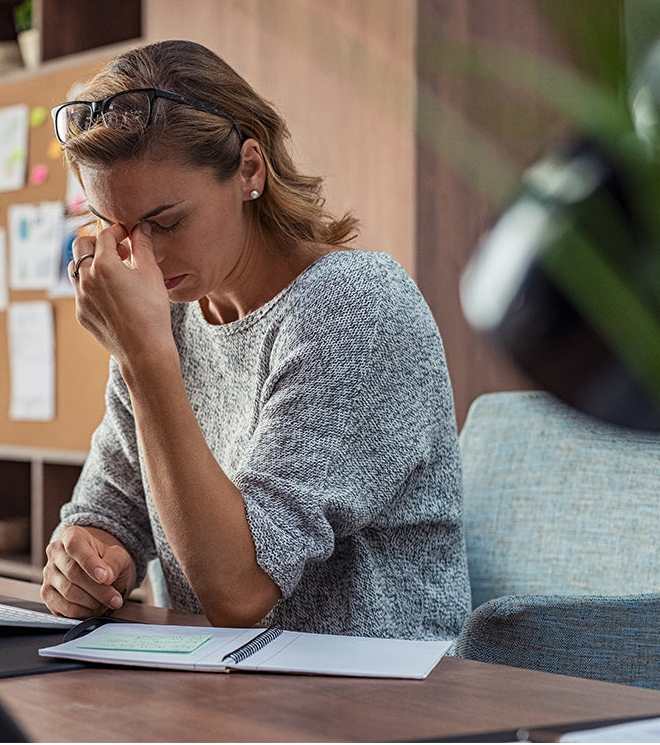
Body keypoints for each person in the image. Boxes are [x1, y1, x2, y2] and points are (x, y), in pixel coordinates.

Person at [41, 40, 470, 640]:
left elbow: (239, 590)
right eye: (117, 229)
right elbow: (113, 509)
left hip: (378, 705)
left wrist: (144, 358)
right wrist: (86, 560)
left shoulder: (355, 308)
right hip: (226, 691)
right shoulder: (167, 318)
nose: (143, 257)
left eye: (166, 223)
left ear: (250, 169)